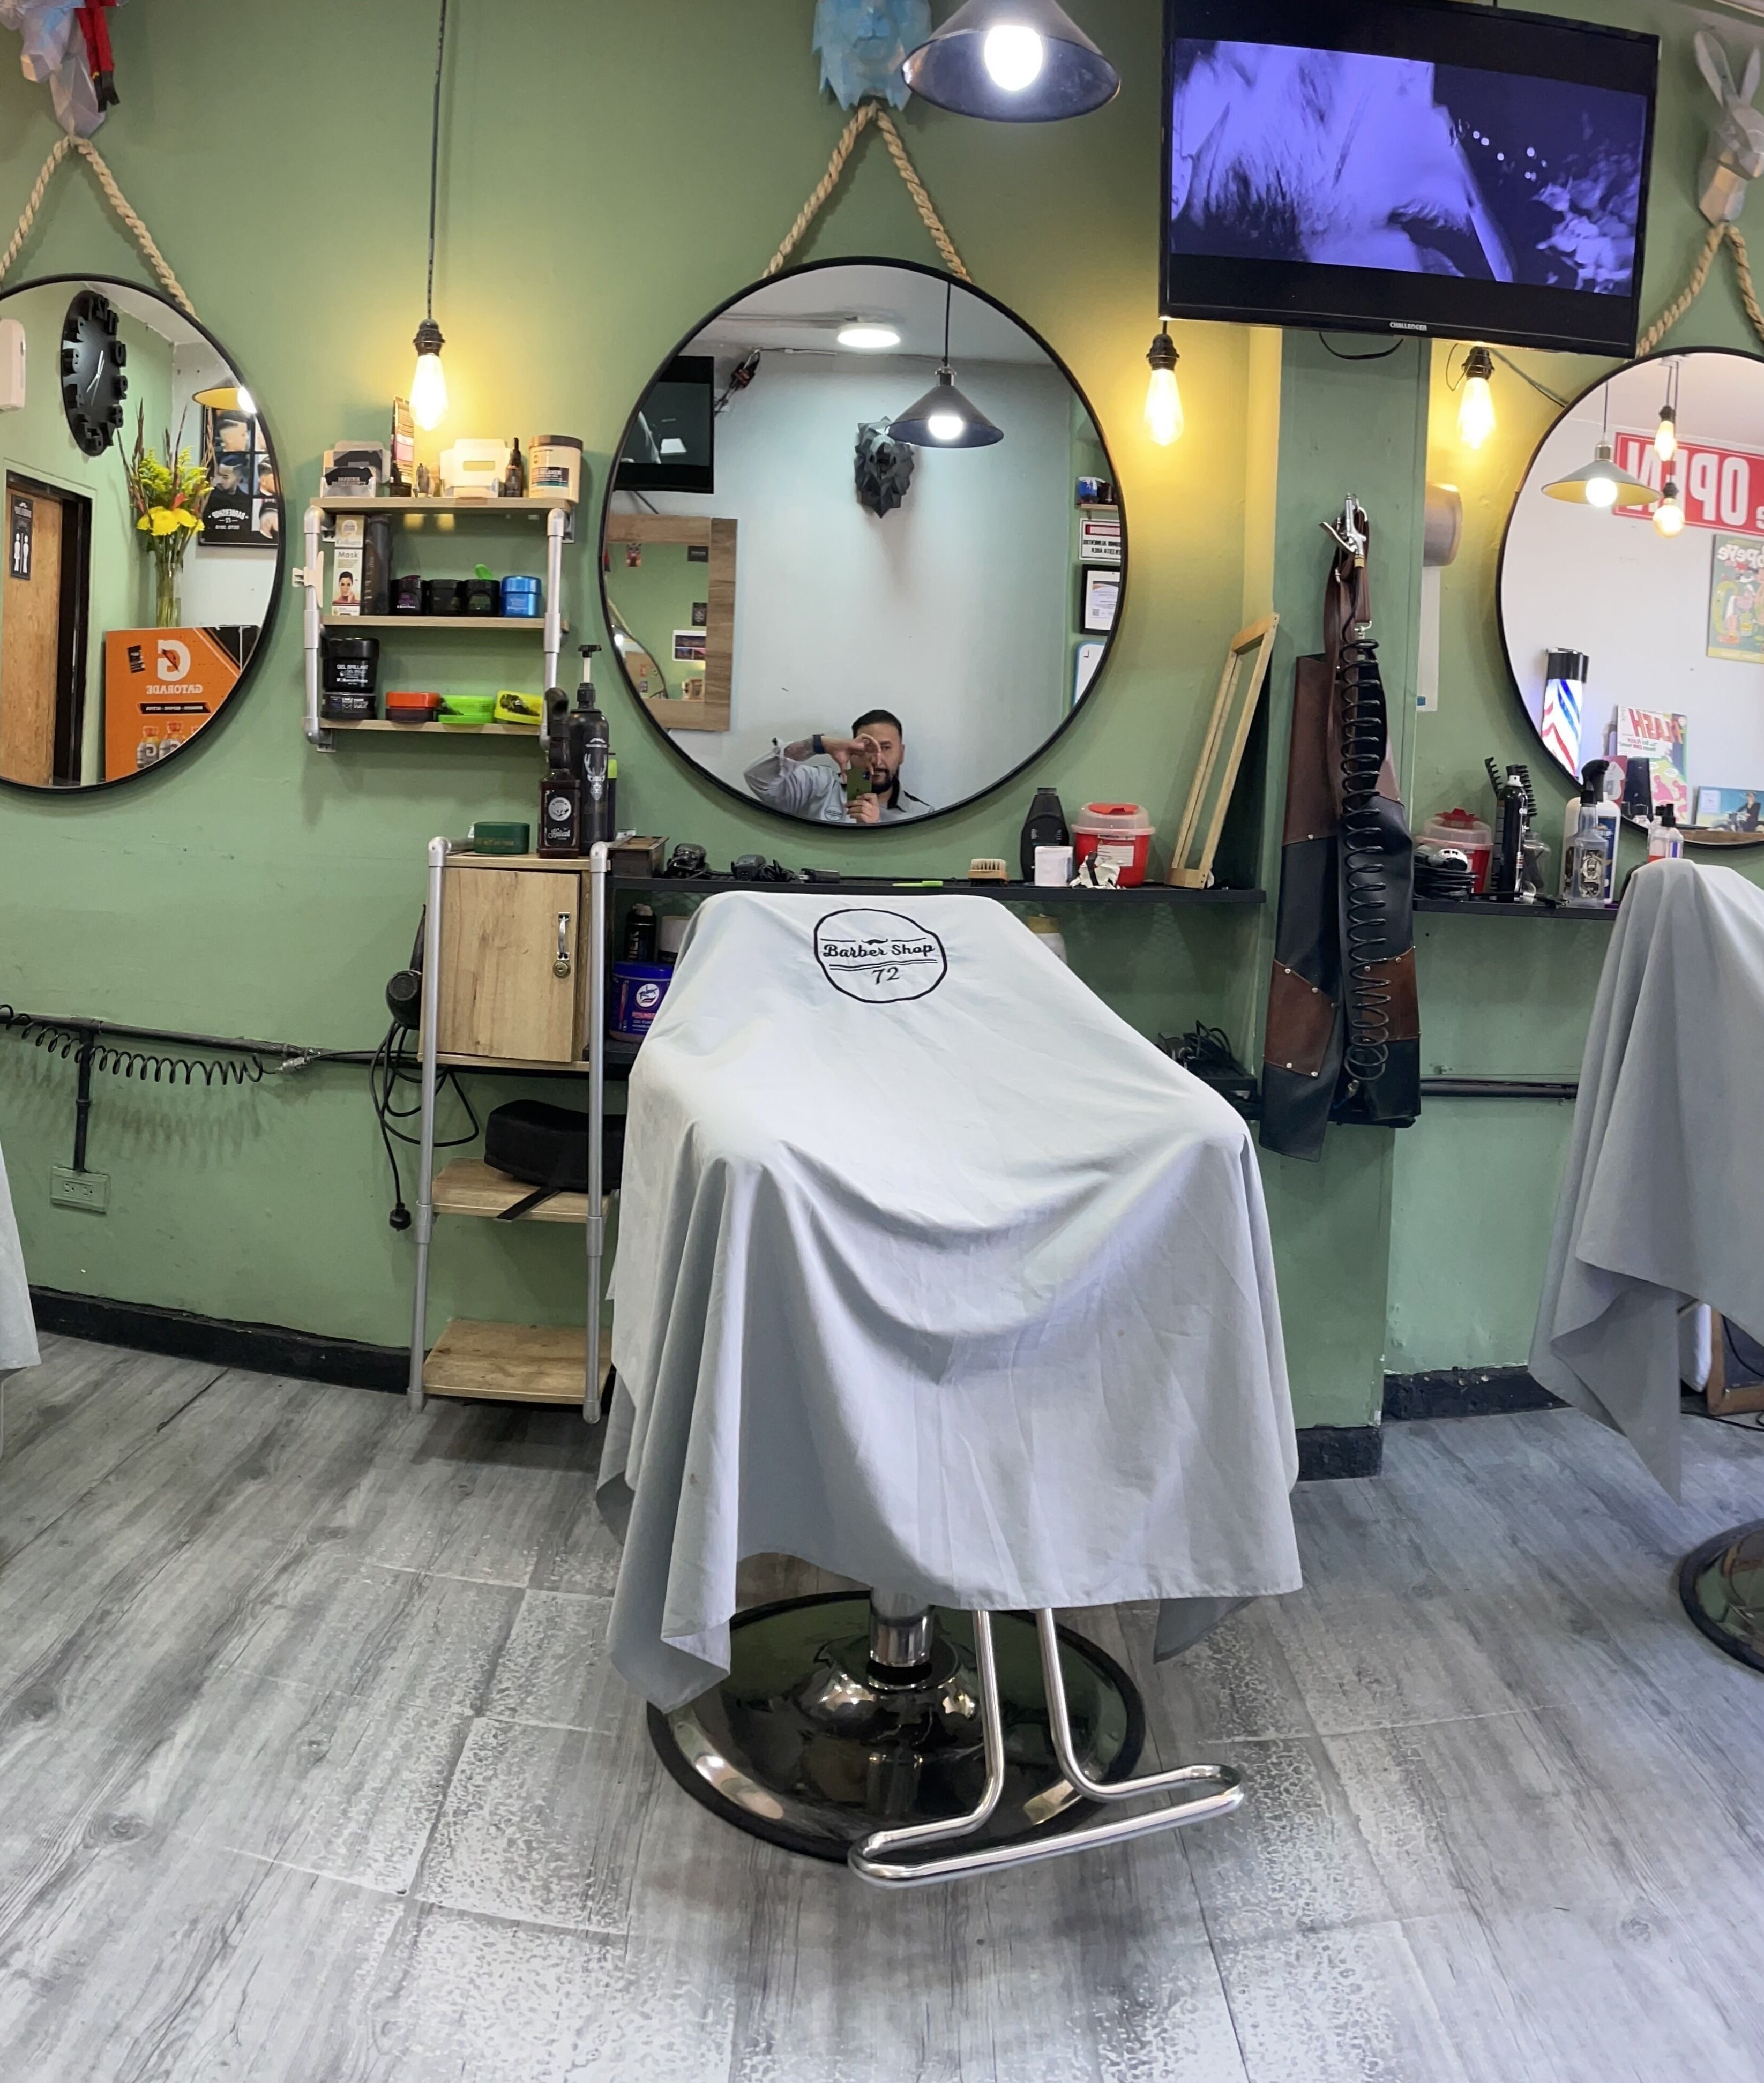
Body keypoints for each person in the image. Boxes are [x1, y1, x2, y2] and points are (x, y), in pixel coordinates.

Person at [743, 708, 932, 823]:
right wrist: (817, 744)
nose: (876, 760)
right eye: (867, 748)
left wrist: (873, 834)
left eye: (886, 748)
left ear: (901, 754)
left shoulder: (922, 815)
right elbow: (757, 778)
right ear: (853, 750)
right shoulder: (817, 785)